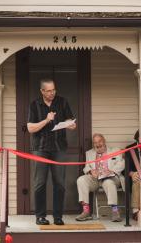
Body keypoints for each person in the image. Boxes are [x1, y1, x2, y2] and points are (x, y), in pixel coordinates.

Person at [27, 78, 76, 226]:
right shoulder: (35, 105)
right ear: (42, 91)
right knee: (40, 183)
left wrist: (70, 125)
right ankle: (40, 216)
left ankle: (58, 217)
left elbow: (70, 120)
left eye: (53, 90)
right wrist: (46, 120)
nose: (52, 93)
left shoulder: (62, 102)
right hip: (40, 149)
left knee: (60, 183)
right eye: (48, 91)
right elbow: (30, 128)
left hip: (59, 148)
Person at [76, 133, 125, 222]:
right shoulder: (89, 153)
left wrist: (112, 171)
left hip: (112, 178)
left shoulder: (115, 150)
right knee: (81, 180)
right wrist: (91, 171)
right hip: (96, 179)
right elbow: (86, 167)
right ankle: (86, 211)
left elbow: (121, 163)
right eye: (95, 143)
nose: (98, 144)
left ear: (104, 141)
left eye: (100, 141)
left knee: (108, 182)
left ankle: (115, 212)